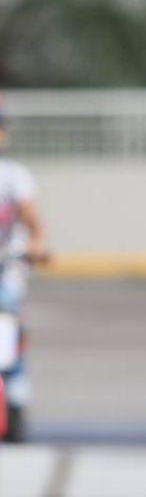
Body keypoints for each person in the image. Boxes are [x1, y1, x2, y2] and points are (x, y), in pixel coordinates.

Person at [0, 106, 50, 442]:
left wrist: (36, 245)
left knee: (9, 330)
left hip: (6, 269)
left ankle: (16, 400)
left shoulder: (13, 175)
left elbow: (32, 219)